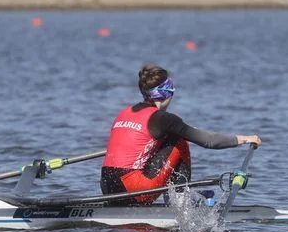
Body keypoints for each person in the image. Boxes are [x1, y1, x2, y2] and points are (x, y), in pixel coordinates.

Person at [101, 64, 261, 204]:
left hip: (107, 187)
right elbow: (208, 141)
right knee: (178, 140)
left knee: (155, 144)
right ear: (167, 93)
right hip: (134, 190)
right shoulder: (164, 119)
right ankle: (180, 200)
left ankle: (176, 197)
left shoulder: (124, 112)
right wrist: (245, 139)